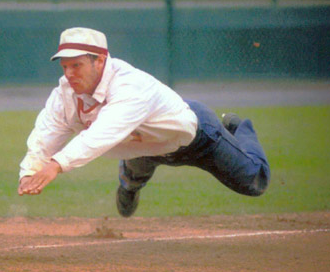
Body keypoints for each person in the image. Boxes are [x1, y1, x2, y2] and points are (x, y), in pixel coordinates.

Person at [17, 27, 270, 217]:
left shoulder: (129, 85)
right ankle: (130, 184)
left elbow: (102, 134)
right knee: (128, 195)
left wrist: (57, 164)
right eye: (64, 66)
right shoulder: (64, 95)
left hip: (198, 139)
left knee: (254, 182)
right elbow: (46, 132)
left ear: (101, 60)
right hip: (142, 149)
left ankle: (237, 129)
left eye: (77, 65)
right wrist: (30, 170)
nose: (69, 73)